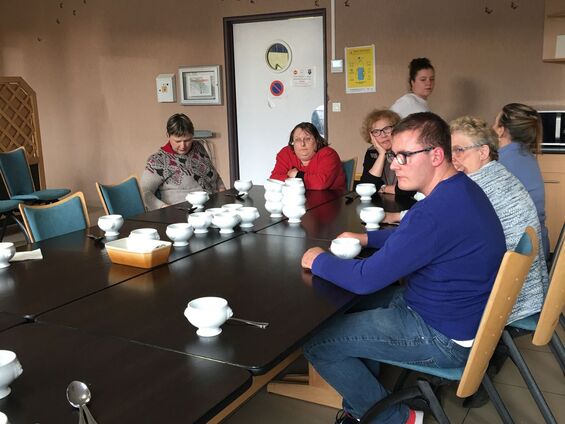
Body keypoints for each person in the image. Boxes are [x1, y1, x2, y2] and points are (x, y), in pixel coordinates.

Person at [301, 112, 506, 424]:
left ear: (436, 155)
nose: (394, 164)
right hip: (455, 316)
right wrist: (366, 236)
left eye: (404, 156)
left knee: (318, 343)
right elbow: (413, 234)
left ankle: (396, 418)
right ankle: (362, 411)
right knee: (346, 311)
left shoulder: (434, 212)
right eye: (394, 155)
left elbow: (364, 278)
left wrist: (317, 259)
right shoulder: (460, 189)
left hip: (441, 335)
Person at [450, 116, 548, 323]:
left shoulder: (475, 187)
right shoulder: (499, 175)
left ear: (483, 152)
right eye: (450, 151)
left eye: (459, 150)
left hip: (508, 297)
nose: (453, 158)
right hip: (527, 288)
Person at [493, 103, 549, 258]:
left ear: (501, 130)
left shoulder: (500, 163)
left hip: (519, 254)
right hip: (539, 245)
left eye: (495, 122)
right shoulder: (527, 157)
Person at [141, 113, 225, 210]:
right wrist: (165, 208)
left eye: (187, 140)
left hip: (214, 208)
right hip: (182, 214)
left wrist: (223, 195)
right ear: (168, 135)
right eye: (178, 141)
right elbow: (145, 193)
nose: (183, 146)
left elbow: (215, 176)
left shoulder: (198, 147)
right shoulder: (158, 161)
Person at [270, 122, 346, 190]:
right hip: (294, 201)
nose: (302, 144)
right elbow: (274, 180)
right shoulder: (286, 153)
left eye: (307, 139)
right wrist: (302, 179)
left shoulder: (328, 154)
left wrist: (296, 175)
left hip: (329, 202)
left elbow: (320, 184)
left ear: (317, 141)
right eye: (297, 140)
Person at [359, 109, 415, 196]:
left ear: (397, 129)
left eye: (387, 129)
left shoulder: (408, 150)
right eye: (376, 132)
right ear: (371, 136)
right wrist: (381, 155)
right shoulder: (372, 152)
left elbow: (414, 187)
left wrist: (385, 188)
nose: (383, 135)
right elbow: (367, 188)